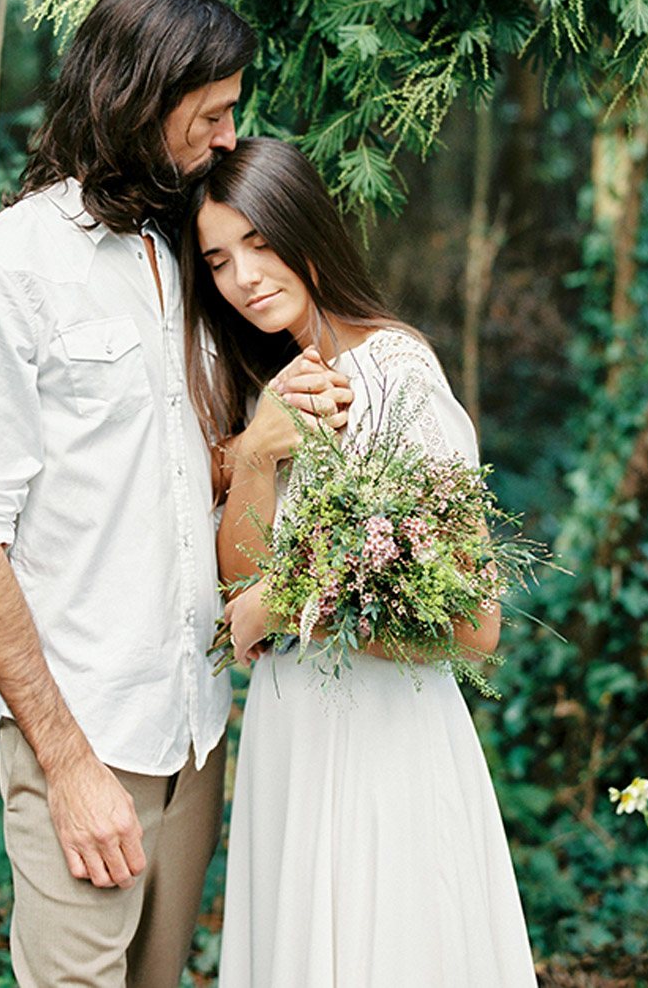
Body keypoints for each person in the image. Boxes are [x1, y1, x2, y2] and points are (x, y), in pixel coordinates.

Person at [0, 0, 349, 988]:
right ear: (133, 103)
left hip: (194, 724)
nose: (227, 139)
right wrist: (67, 768)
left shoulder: (184, 257)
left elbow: (185, 482)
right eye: (209, 116)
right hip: (85, 731)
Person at [181, 137, 538, 987]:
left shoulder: (397, 372)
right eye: (219, 260)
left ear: (306, 229)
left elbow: (474, 625)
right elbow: (240, 590)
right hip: (291, 735)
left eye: (260, 243)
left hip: (383, 742)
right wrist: (261, 452)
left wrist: (293, 608)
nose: (244, 277)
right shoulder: (269, 382)